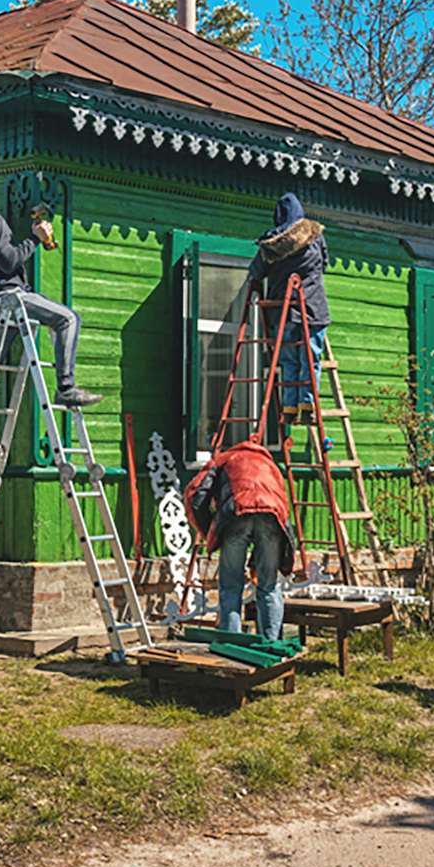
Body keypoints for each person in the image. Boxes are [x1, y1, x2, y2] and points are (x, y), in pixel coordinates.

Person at [0, 170, 100, 428]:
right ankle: (65, 388)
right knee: (68, 319)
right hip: (6, 298)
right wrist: (36, 238)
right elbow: (8, 263)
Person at [186, 440, 292, 640]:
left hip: (236, 516)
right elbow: (283, 508)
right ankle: (271, 645)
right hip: (271, 518)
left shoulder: (223, 460)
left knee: (231, 585)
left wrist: (210, 530)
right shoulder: (271, 466)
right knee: (268, 585)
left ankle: (231, 643)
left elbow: (195, 495)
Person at [247, 193, 329, 416]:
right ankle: (308, 403)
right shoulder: (315, 236)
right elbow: (325, 263)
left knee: (288, 359)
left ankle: (290, 405)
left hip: (280, 310)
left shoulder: (270, 245)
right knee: (310, 358)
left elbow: (255, 272)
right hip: (311, 306)